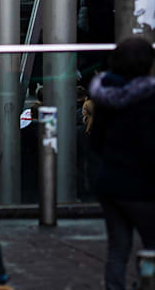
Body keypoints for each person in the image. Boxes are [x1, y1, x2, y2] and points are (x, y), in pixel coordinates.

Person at [87, 36, 155, 290]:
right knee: (152, 245)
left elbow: (96, 142)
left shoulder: (104, 96)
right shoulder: (149, 98)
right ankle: (149, 283)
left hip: (110, 183)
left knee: (118, 246)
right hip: (142, 186)